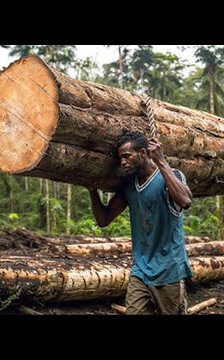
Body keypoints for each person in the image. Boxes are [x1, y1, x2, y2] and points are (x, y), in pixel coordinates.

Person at [87, 131, 193, 315]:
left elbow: (185, 201)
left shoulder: (171, 176)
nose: (123, 162)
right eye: (120, 158)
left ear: (143, 154)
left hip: (169, 270)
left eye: (127, 156)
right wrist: (92, 189)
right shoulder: (129, 186)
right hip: (141, 270)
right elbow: (103, 219)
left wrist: (161, 161)